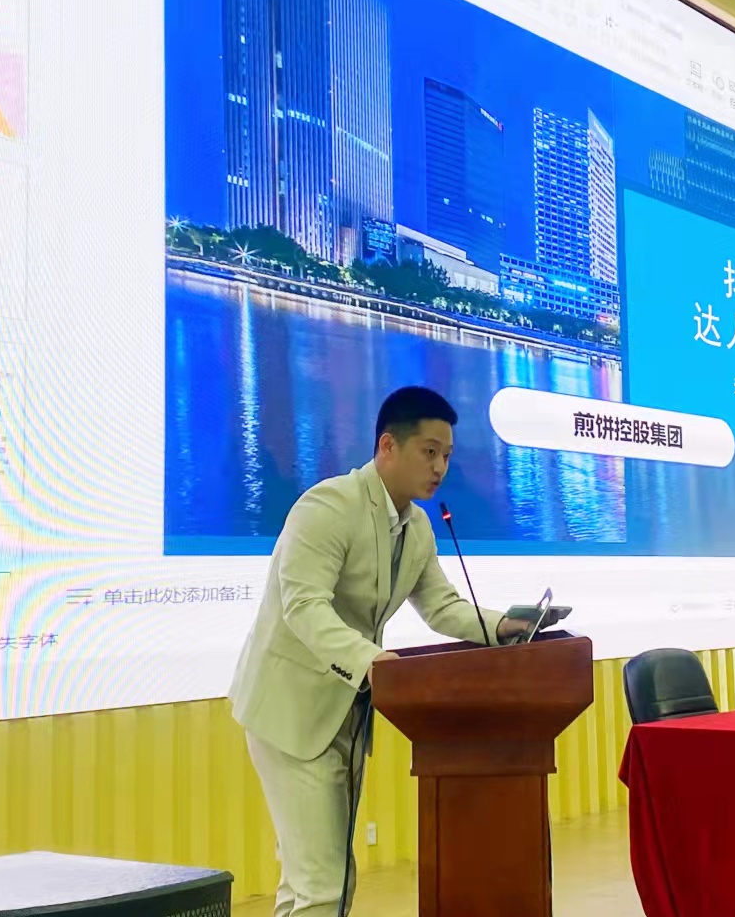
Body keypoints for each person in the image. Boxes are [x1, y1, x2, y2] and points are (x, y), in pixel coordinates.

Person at [229, 386, 539, 917]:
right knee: (323, 886)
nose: (440, 467)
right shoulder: (329, 506)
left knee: (314, 882)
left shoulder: (417, 526)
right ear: (388, 446)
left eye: (447, 455)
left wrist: (506, 626)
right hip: (290, 711)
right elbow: (303, 605)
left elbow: (441, 607)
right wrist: (370, 660)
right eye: (429, 451)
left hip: (347, 714)